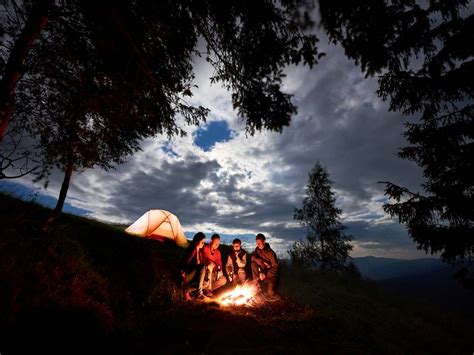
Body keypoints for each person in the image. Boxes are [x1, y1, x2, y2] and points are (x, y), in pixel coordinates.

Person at [251, 233, 279, 299]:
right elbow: (252, 258)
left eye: (259, 243)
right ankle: (256, 285)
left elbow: (275, 267)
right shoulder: (257, 250)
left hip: (270, 274)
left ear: (264, 241)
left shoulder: (271, 253)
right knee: (253, 263)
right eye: (257, 243)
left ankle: (271, 291)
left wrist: (266, 275)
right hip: (262, 271)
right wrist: (260, 269)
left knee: (270, 293)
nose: (258, 245)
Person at [180, 232, 207, 300]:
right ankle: (199, 293)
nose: (203, 244)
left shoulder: (200, 252)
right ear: (197, 241)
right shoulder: (192, 250)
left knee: (206, 283)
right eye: (202, 242)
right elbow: (186, 261)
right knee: (202, 266)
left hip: (193, 276)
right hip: (187, 275)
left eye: (204, 242)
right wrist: (183, 271)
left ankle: (187, 290)